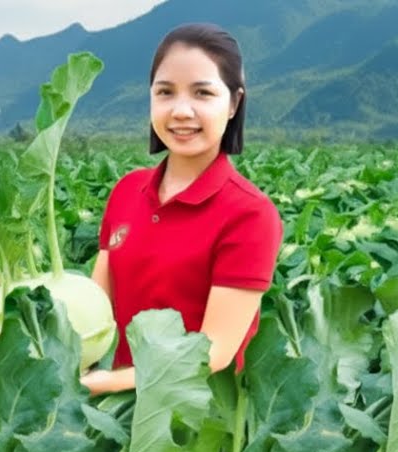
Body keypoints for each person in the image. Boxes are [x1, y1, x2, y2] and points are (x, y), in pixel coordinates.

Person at [80, 23, 283, 396]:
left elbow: (213, 352)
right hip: (117, 408)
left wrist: (108, 383)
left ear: (234, 103)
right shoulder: (126, 191)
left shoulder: (251, 214)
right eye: (165, 92)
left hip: (202, 413)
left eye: (202, 93)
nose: (181, 111)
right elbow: (94, 308)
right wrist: (29, 296)